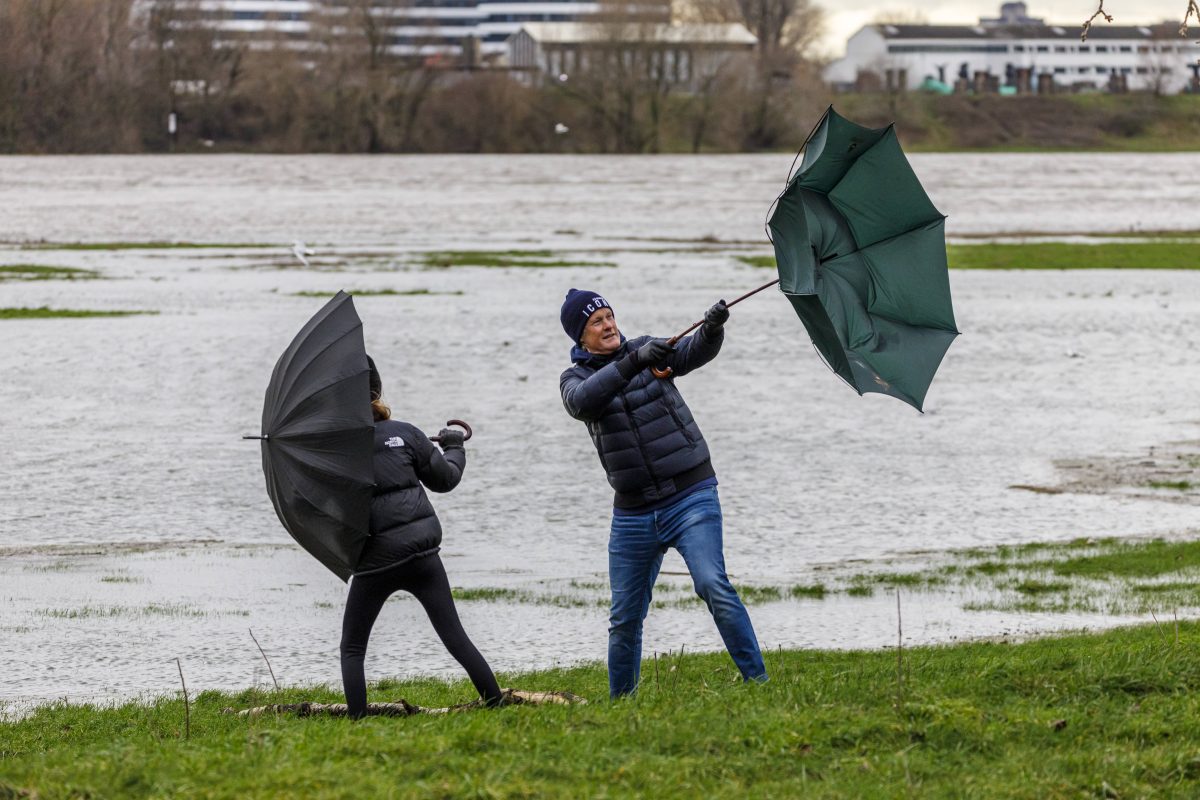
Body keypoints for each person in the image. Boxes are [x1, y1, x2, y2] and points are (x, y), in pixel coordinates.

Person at [558, 289, 767, 698]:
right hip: (633, 515)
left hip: (691, 495)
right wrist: (634, 361)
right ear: (580, 337)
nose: (609, 325)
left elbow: (691, 354)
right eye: (597, 322)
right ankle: (622, 703)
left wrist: (712, 328)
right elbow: (583, 404)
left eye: (609, 316)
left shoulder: (645, 350)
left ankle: (758, 684)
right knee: (624, 618)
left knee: (712, 583)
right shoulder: (576, 379)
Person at [339, 356, 503, 718]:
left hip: (373, 563)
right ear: (376, 392)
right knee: (455, 636)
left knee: (353, 648)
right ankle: (495, 702)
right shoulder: (407, 433)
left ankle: (356, 720)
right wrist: (455, 447)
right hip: (422, 557)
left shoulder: (335, 453)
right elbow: (445, 479)